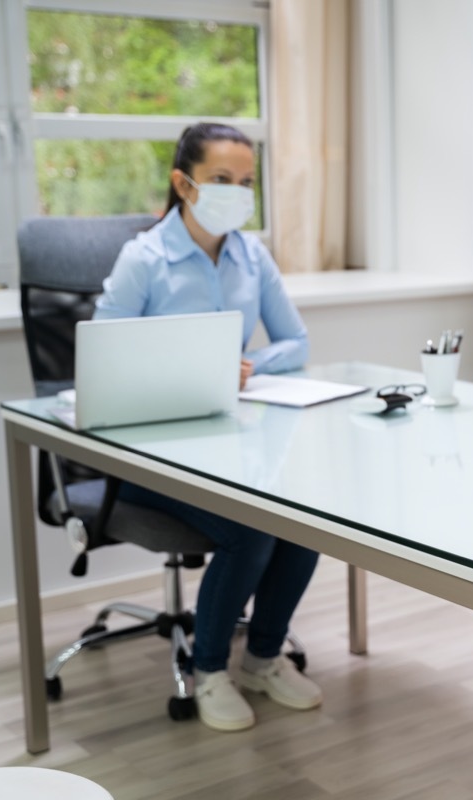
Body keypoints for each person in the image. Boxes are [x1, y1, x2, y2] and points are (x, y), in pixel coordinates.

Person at [94, 122, 321, 732]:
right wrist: (196, 367)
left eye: (245, 183)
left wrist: (246, 366)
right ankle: (210, 670)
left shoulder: (252, 256)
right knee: (251, 530)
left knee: (305, 521)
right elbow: (103, 357)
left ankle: (264, 661)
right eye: (221, 180)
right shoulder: (144, 258)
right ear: (183, 183)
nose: (236, 194)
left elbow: (295, 342)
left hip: (231, 442)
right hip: (149, 454)